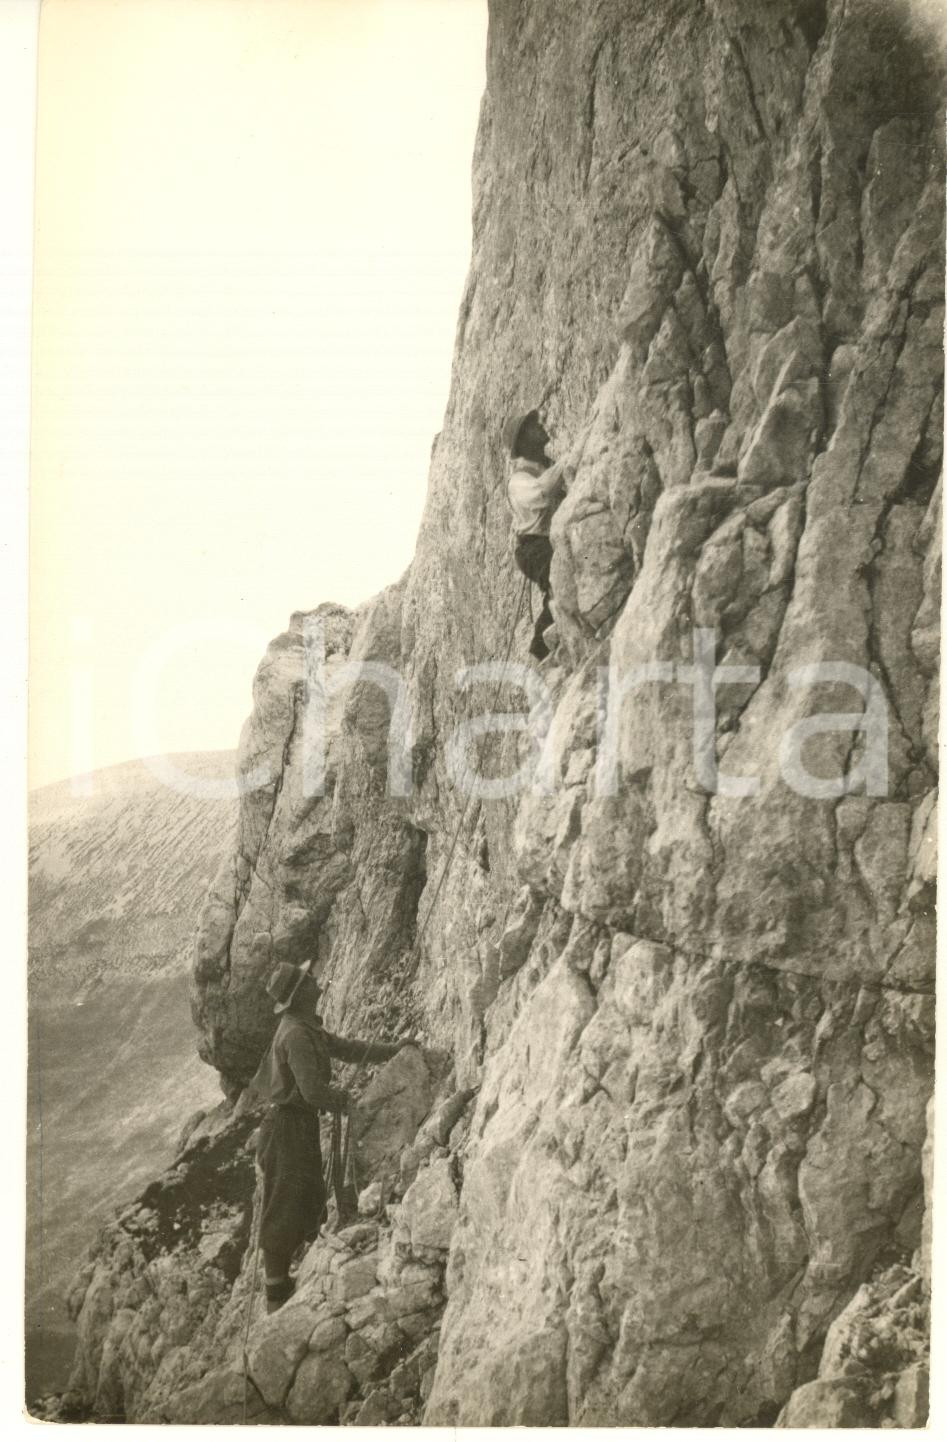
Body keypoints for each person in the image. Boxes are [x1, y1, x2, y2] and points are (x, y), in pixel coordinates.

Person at [255, 959, 414, 1312]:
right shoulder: (295, 1033)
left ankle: (282, 1287)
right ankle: (275, 1297)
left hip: (296, 1126)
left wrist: (394, 1049)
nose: (315, 980)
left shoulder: (304, 1026)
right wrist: (340, 1100)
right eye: (307, 980)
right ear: (299, 996)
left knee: (303, 1195)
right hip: (286, 1130)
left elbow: (348, 1048)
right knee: (283, 1206)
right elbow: (312, 1092)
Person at [503, 410, 569, 660]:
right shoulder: (518, 481)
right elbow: (541, 494)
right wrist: (567, 462)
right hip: (533, 547)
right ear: (523, 443)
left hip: (545, 542)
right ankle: (539, 652)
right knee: (557, 582)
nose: (540, 428)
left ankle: (544, 648)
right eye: (532, 427)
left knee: (559, 582)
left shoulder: (545, 467)